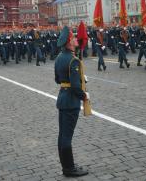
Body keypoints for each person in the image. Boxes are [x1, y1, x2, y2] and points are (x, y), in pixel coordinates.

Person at [55, 26, 89, 177]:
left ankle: (66, 166)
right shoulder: (73, 60)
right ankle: (69, 169)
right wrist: (84, 96)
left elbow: (57, 80)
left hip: (62, 98)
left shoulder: (59, 57)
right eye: (74, 38)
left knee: (62, 135)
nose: (76, 39)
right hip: (71, 102)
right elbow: (75, 86)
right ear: (69, 42)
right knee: (67, 136)